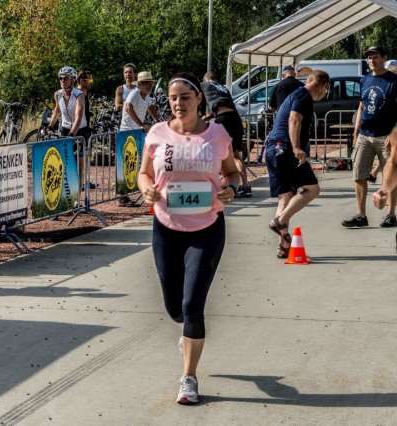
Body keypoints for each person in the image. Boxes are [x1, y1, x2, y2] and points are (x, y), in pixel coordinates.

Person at [138, 72, 240, 405]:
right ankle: (186, 331)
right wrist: (146, 190)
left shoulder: (217, 134)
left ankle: (188, 377)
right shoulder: (156, 134)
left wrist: (232, 189)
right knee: (174, 308)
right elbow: (144, 173)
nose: (178, 103)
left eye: (185, 96)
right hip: (166, 228)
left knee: (192, 305)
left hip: (207, 228)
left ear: (199, 99)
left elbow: (232, 171)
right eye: (172, 98)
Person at [265, 70, 330, 258]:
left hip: (272, 149)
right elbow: (294, 119)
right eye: (326, 90)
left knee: (285, 196)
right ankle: (280, 221)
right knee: (312, 189)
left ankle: (283, 246)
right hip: (285, 148)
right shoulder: (304, 96)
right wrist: (296, 147)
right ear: (323, 86)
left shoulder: (295, 94)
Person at [342, 45, 397, 228]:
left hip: (386, 136)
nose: (372, 61)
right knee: (358, 174)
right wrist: (356, 130)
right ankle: (361, 215)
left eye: (375, 57)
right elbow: (361, 106)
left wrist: (394, 132)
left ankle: (391, 214)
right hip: (365, 135)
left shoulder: (393, 81)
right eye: (369, 58)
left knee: (389, 176)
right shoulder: (364, 79)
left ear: (384, 58)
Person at [201, 71, 251, 198]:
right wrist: (204, 119)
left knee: (216, 152)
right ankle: (245, 186)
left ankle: (218, 184)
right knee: (235, 155)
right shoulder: (223, 88)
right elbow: (218, 109)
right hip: (235, 118)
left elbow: (192, 89)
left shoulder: (205, 85)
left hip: (223, 120)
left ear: (206, 79)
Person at [47, 66, 92, 189]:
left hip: (80, 130)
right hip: (65, 129)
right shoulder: (58, 94)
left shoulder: (79, 95)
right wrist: (50, 126)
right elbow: (57, 111)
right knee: (64, 164)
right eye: (60, 78)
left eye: (65, 78)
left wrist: (72, 134)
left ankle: (78, 195)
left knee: (79, 166)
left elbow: (78, 117)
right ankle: (66, 192)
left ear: (72, 80)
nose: (62, 80)